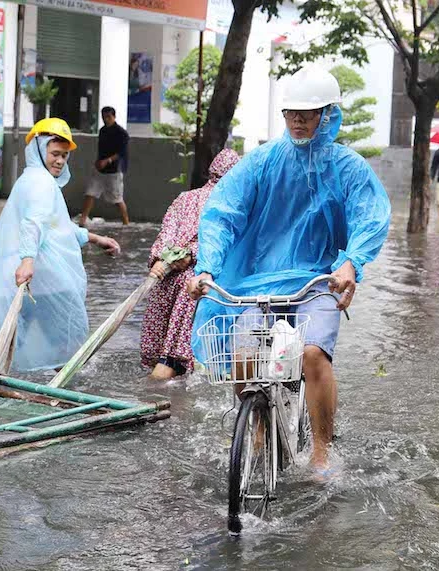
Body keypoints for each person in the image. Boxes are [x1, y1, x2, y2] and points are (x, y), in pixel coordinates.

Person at [186, 67, 391, 475]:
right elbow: (221, 215)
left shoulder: (348, 168)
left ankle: (320, 451)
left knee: (313, 354)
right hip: (259, 282)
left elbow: (370, 216)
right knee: (242, 354)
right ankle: (257, 425)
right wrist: (207, 268)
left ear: (328, 115)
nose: (298, 121)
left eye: (308, 113)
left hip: (319, 280)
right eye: (291, 113)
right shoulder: (260, 163)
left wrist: (352, 261)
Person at [0, 118, 121, 372]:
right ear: (38, 148)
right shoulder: (41, 183)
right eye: (55, 153)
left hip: (29, 280)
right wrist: (27, 261)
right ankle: (62, 384)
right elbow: (33, 224)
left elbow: (57, 229)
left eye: (65, 156)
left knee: (15, 339)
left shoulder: (31, 179)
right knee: (66, 342)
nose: (60, 161)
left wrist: (95, 238)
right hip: (37, 280)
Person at [140, 148, 240, 380]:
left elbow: (165, 235)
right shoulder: (228, 203)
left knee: (160, 349)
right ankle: (158, 397)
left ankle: (155, 394)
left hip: (164, 278)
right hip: (194, 284)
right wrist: (192, 257)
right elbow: (219, 243)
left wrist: (160, 260)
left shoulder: (184, 198)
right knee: (174, 357)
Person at [79, 107, 130, 226]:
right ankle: (83, 219)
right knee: (90, 193)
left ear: (114, 117)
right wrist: (98, 161)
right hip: (99, 169)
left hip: (114, 171)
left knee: (117, 198)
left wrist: (108, 160)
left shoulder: (121, 133)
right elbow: (101, 149)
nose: (106, 120)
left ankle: (126, 222)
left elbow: (122, 152)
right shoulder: (102, 131)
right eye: (104, 117)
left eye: (108, 117)